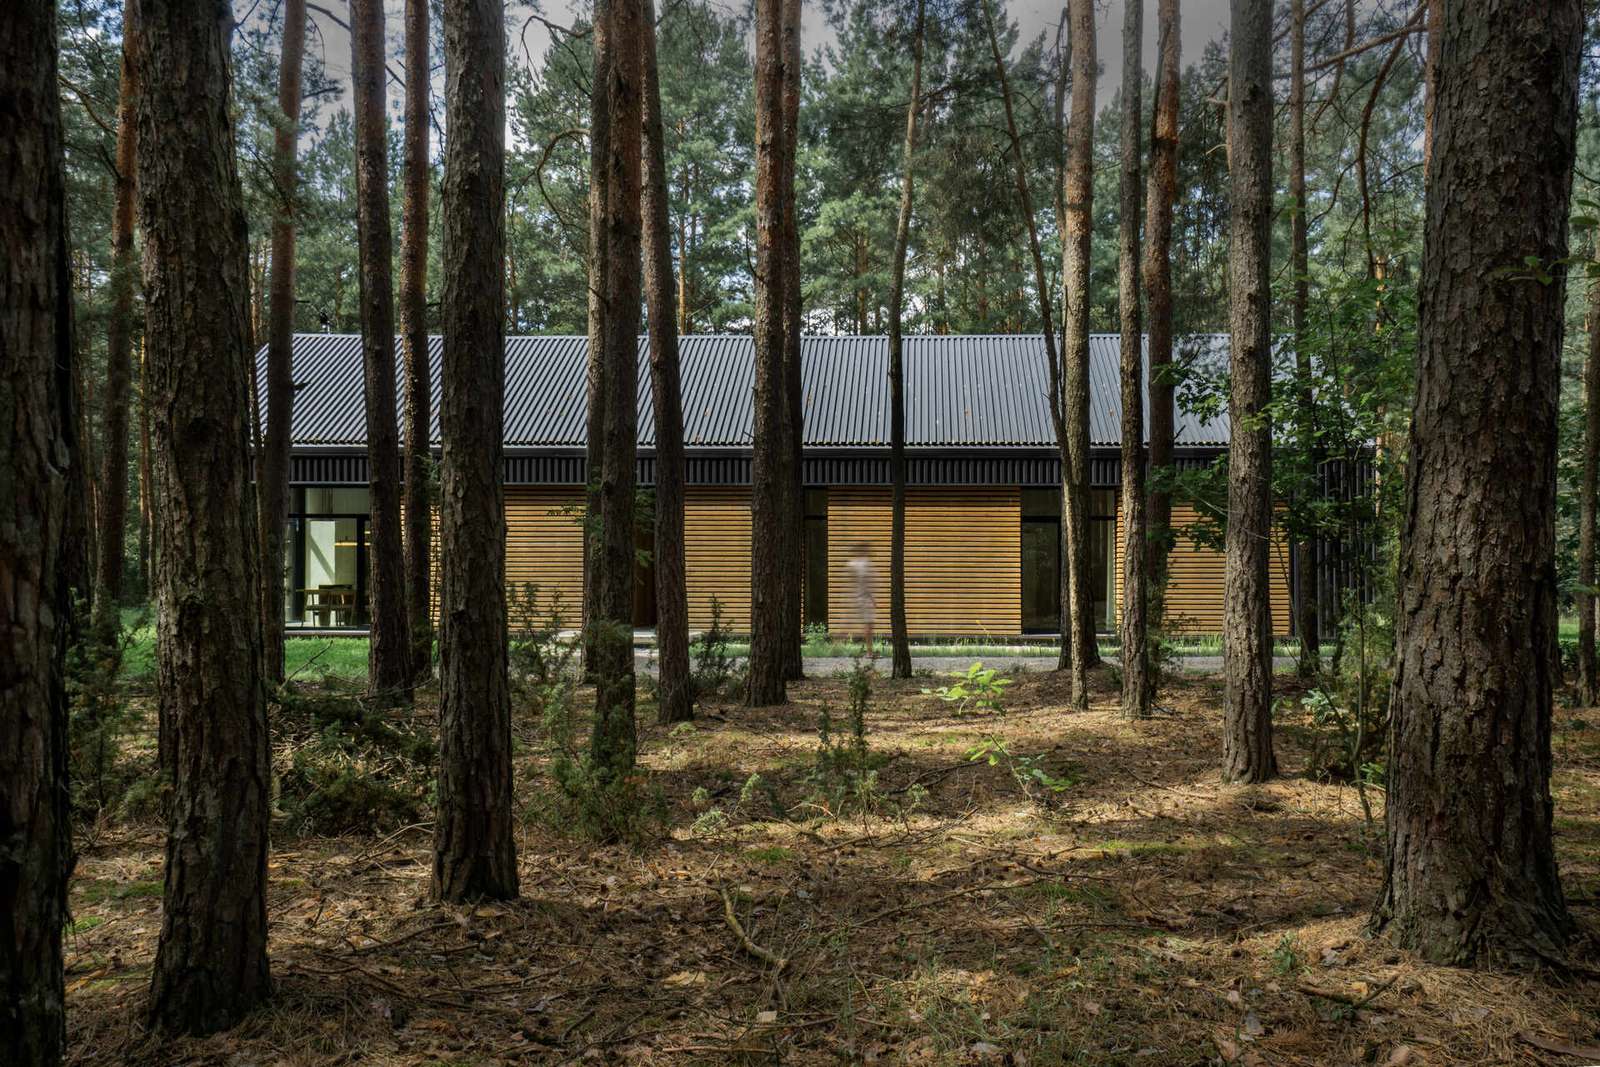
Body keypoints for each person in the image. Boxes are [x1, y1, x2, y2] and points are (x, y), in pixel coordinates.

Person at [847, 542, 879, 659]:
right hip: (864, 598)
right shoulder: (862, 564)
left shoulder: (854, 564)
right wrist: (872, 598)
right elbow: (865, 583)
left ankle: (869, 651)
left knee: (869, 626)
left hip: (862, 598)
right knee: (869, 626)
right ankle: (869, 653)